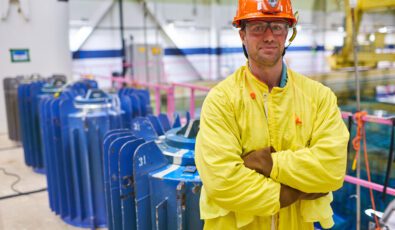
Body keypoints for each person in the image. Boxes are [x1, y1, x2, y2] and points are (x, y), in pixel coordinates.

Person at [195, 0, 350, 229]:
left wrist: (267, 163)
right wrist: (293, 190)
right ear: (242, 35)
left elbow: (332, 169)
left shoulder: (319, 97)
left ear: (288, 33)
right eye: (258, 27)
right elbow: (222, 181)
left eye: (277, 27)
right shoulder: (221, 100)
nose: (269, 36)